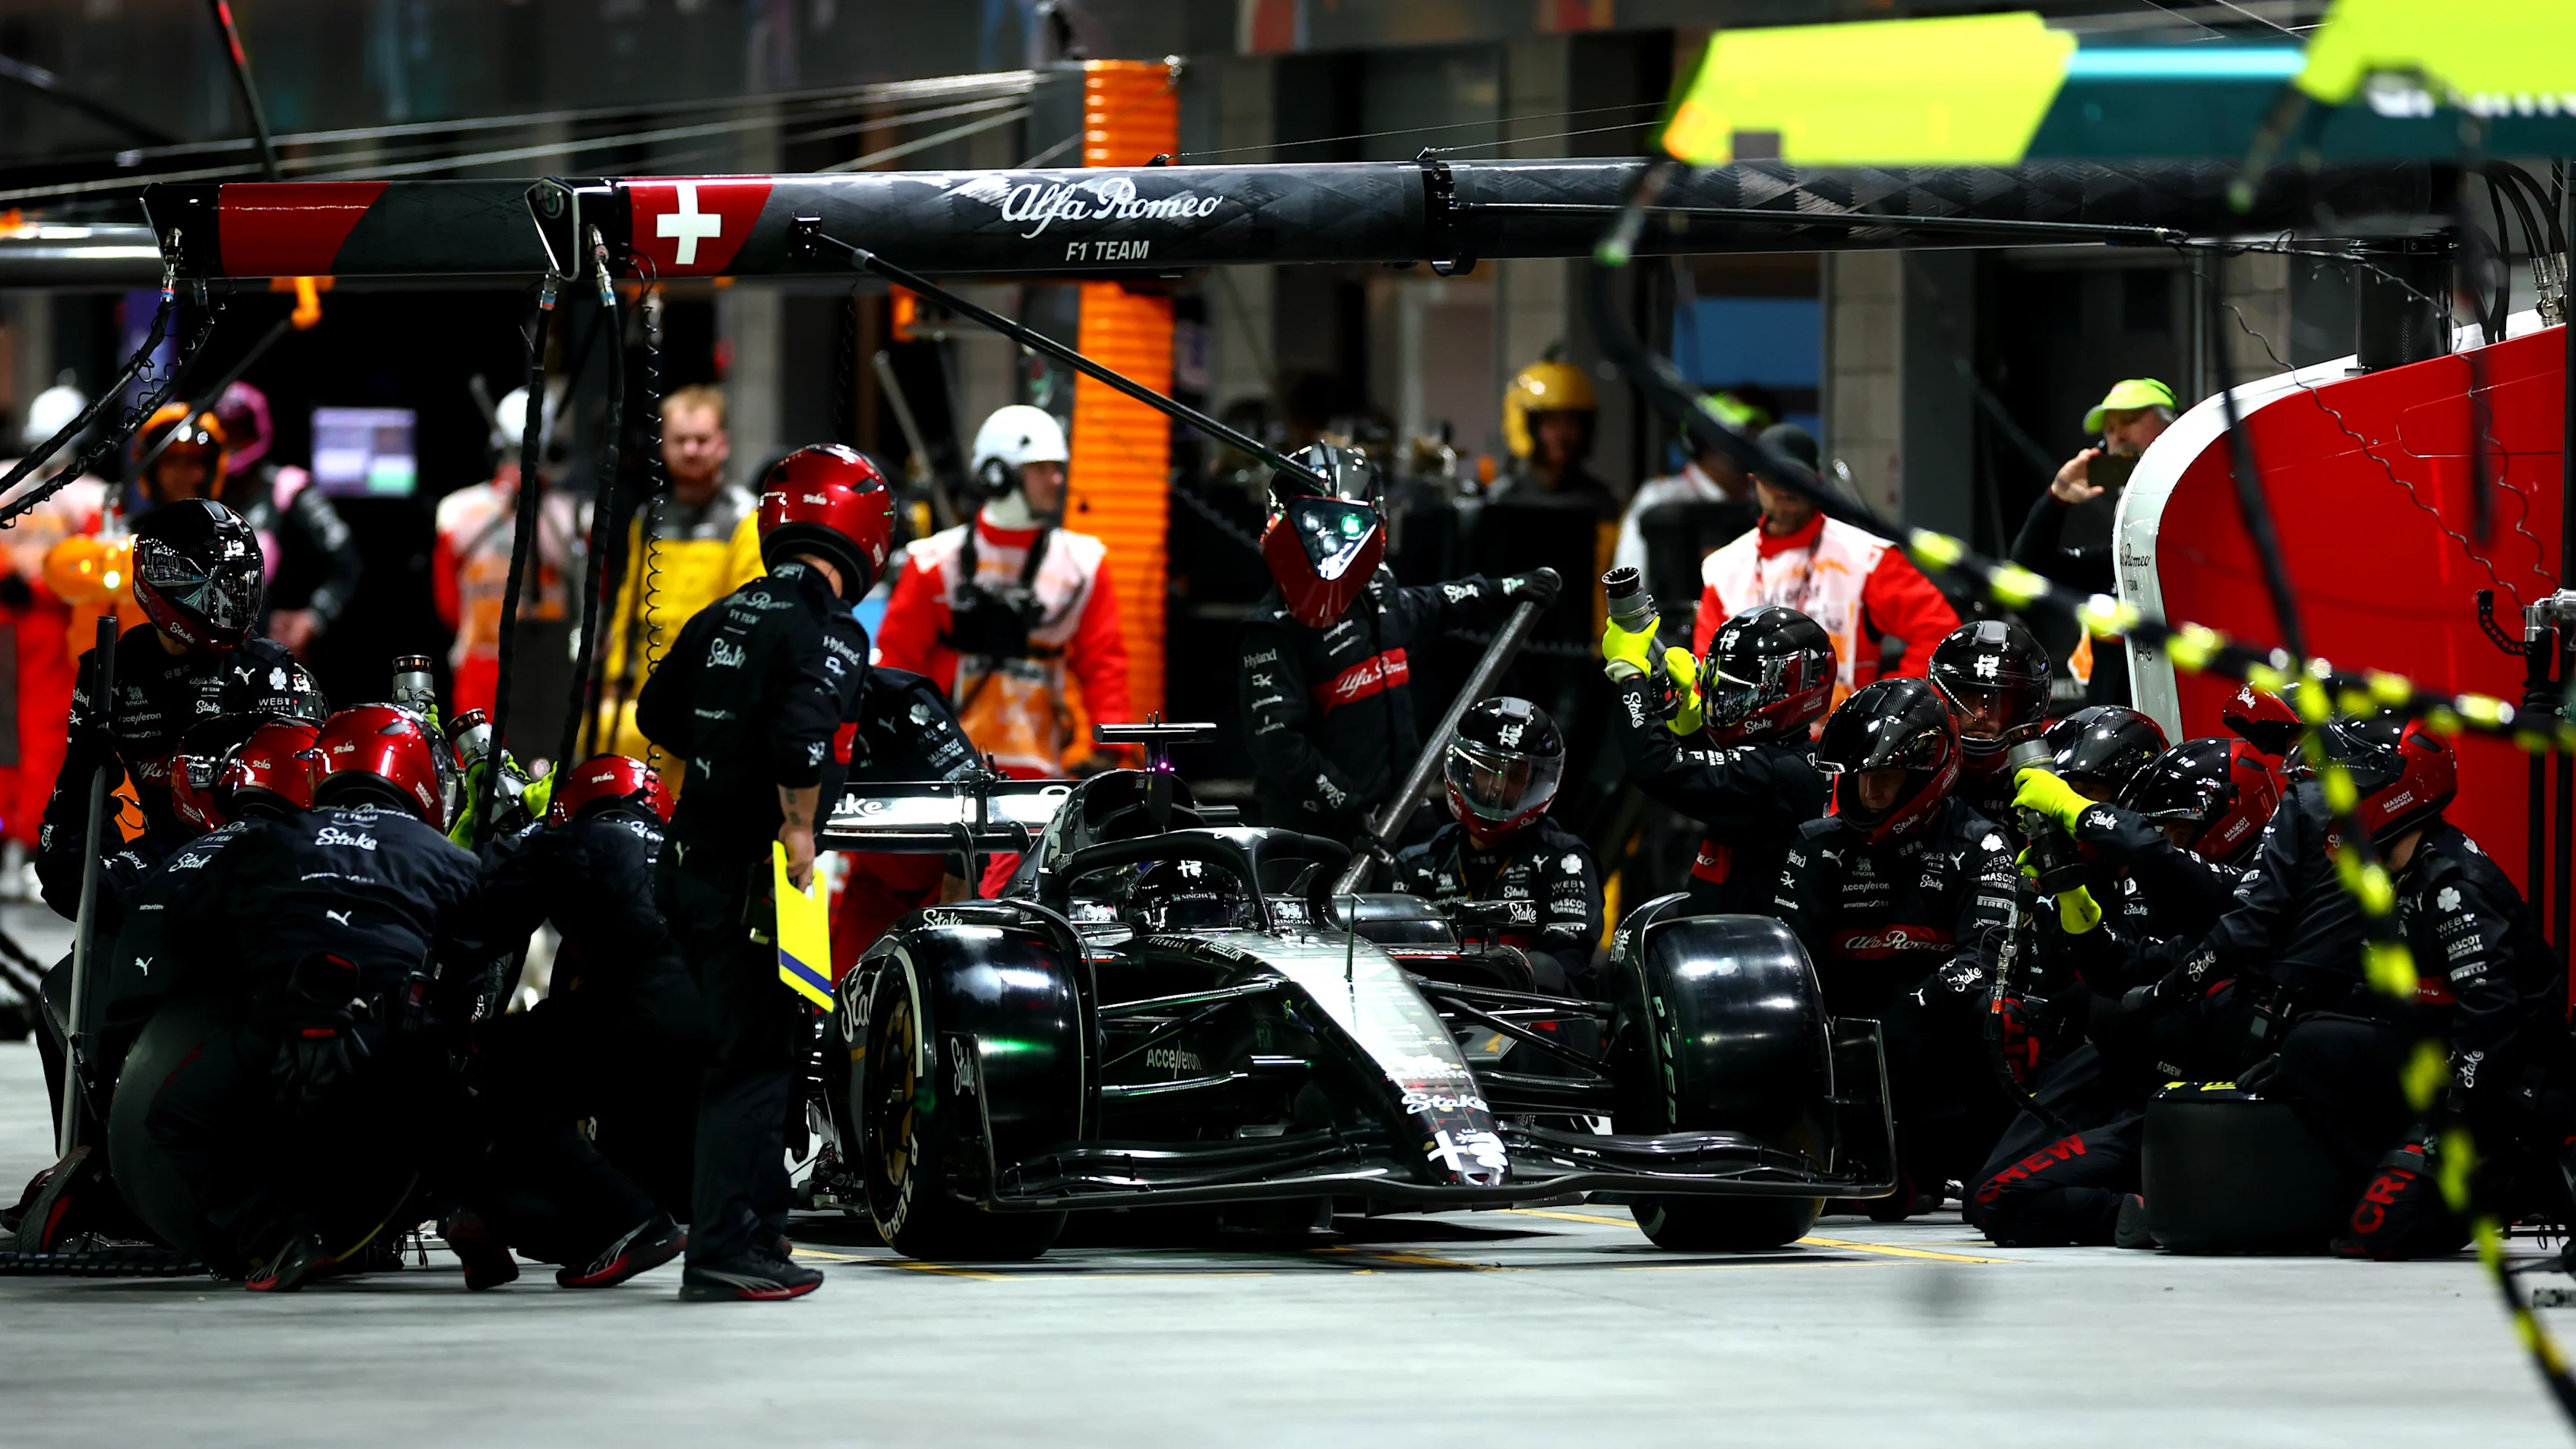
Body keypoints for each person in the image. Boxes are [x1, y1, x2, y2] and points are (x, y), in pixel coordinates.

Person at [636, 443, 890, 1302]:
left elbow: (657, 712)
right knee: (758, 1062)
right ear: (861, 528)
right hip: (758, 871)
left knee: (723, 1058)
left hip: (683, 861)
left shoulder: (725, 612)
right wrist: (798, 831)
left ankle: (749, 1233)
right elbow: (800, 738)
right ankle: (729, 1249)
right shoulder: (829, 629)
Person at [144, 704, 486, 1290]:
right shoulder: (448, 856)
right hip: (394, 1038)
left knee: (177, 1115)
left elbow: (184, 923)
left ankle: (282, 1240)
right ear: (417, 777)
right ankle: (467, 1209)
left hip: (281, 1029)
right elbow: (478, 958)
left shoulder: (272, 838)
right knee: (458, 1092)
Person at [457, 753, 699, 1289]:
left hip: (646, 1014)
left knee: (503, 1068)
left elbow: (486, 923)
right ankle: (754, 1224)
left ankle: (633, 1221)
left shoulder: (584, 841)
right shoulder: (699, 849)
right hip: (731, 1035)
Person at [1237, 442, 1560, 841]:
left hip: (1397, 818)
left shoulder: (1378, 594)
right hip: (1314, 836)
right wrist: (1349, 808)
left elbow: (1434, 604)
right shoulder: (1273, 629)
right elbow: (1277, 745)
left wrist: (1506, 588)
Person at [1775, 677, 2016, 1211]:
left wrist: (1902, 1019)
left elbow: (1985, 961)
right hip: (1842, 1032)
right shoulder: (1817, 846)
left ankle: (1954, 1153)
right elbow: (1792, 961)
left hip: (1935, 1031)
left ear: (1927, 773)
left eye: (1884, 778)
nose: (1870, 793)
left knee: (1992, 1010)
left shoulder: (1983, 845)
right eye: (1860, 778)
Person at [36, 500, 300, 919]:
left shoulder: (269, 671)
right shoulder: (110, 673)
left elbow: (308, 823)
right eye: (215, 590)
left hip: (253, 853)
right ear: (166, 582)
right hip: (165, 850)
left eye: (239, 588)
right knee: (78, 887)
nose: (230, 607)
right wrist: (79, 782)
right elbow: (64, 878)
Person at [876, 404, 1129, 778]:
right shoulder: (934, 563)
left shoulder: (1081, 565)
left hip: (1047, 769)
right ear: (997, 475)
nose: (1056, 480)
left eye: (1058, 468)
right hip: (944, 768)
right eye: (1041, 468)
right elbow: (897, 665)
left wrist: (1112, 747)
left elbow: (1104, 662)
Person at [1602, 602, 1833, 916]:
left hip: (1754, 954)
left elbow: (1659, 766)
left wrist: (1630, 676)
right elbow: (1718, 764)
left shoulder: (1780, 772)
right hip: (1731, 944)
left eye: (1736, 694)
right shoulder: (1786, 758)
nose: (1722, 704)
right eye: (1716, 688)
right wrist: (1686, 713)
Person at [1691, 453, 1959, 709]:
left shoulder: (1865, 557)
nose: (1786, 488)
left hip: (1843, 742)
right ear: (1755, 480)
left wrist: (1888, 702)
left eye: (1797, 478)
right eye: (1775, 478)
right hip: (1751, 740)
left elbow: (1940, 632)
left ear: (1818, 481)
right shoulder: (1725, 568)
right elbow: (1707, 672)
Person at [592, 385, 763, 777]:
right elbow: (627, 605)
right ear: (663, 446)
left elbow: (750, 617)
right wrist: (615, 678)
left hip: (709, 698)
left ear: (723, 444)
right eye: (679, 440)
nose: (690, 450)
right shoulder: (649, 517)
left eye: (701, 440)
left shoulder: (746, 519)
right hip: (647, 694)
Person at [1391, 698, 1602, 995]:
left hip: (1526, 1022)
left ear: (1537, 781)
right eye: (1487, 769)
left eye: (1514, 775)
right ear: (1464, 769)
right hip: (1439, 1022)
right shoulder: (1418, 865)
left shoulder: (1566, 862)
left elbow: (1565, 974)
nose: (1497, 788)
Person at [2012, 379, 2177, 706]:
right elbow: (2027, 568)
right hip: (2112, 723)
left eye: (2130, 421)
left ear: (2173, 425)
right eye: (2110, 430)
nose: (2117, 438)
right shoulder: (2117, 560)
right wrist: (2057, 497)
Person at [433, 387, 585, 721]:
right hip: (481, 664)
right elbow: (447, 603)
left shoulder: (573, 516)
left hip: (553, 664)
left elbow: (588, 593)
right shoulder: (458, 513)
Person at [827, 665, 980, 978]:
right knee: (846, 982)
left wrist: (955, 899)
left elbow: (974, 800)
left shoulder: (904, 699)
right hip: (876, 877)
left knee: (942, 980)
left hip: (959, 871)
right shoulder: (786, 705)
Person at [207, 382, 364, 661]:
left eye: (239, 432)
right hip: (209, 653)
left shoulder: (290, 489)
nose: (231, 444)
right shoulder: (198, 493)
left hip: (273, 657)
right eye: (223, 434)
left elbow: (347, 559)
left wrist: (315, 616)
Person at [1925, 619, 2055, 829]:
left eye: (1996, 700)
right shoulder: (1920, 764)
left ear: (2022, 706)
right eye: (1967, 697)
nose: (1979, 714)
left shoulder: (2050, 773)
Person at [1492, 355, 1618, 518]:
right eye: (1551, 422)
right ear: (1527, 425)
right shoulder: (1502, 502)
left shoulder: (1605, 504)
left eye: (1571, 422)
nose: (1562, 434)